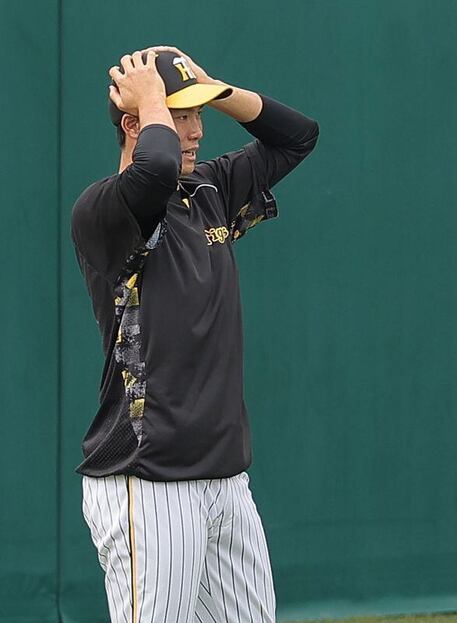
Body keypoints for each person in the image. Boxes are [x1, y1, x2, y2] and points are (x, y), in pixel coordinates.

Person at [71, 46, 318, 622]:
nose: (195, 131)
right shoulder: (105, 209)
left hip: (225, 476)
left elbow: (297, 137)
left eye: (197, 115)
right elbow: (151, 169)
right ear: (135, 123)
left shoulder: (208, 189)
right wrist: (153, 97)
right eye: (180, 117)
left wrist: (214, 88)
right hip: (146, 476)